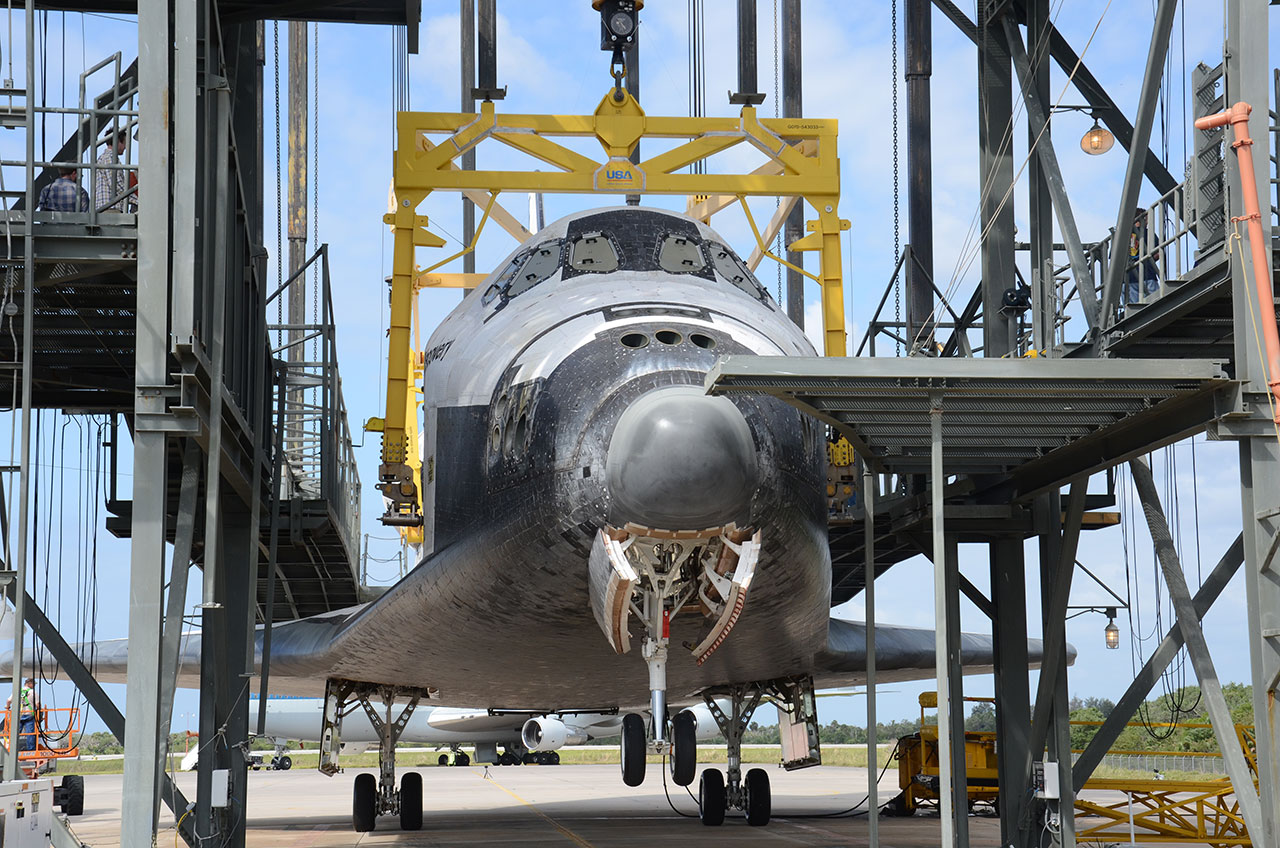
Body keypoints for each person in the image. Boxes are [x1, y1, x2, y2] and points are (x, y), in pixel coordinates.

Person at [1123, 208, 1160, 306]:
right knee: (1156, 306)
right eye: (1147, 219)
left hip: (1127, 280)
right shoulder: (1149, 234)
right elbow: (1158, 254)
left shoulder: (1122, 237)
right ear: (1142, 219)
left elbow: (1115, 261)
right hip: (1148, 276)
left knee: (1132, 310)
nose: (1147, 222)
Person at [95, 130, 130, 212]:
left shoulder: (103, 158)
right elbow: (117, 185)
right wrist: (137, 201)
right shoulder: (110, 158)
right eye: (125, 143)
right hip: (111, 208)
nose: (125, 147)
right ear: (118, 141)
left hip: (105, 208)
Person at [5, 678, 39, 752]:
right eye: (33, 684)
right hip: (29, 714)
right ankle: (31, 750)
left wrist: (8, 707)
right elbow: (37, 704)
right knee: (30, 733)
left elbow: (8, 701)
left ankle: (11, 748)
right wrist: (40, 711)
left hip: (18, 715)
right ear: (30, 684)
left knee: (15, 733)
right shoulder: (33, 692)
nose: (34, 686)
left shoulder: (17, 691)